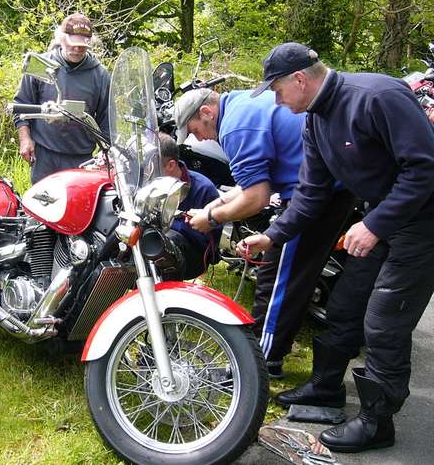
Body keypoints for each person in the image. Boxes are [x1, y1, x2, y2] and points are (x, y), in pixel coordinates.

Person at [240, 42, 434, 453]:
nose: (275, 101)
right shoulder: (315, 120)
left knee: (383, 322)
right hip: (380, 220)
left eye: (276, 91)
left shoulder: (378, 97)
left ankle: (377, 423)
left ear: (299, 79)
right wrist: (271, 235)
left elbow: (424, 168)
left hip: (422, 224)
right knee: (344, 306)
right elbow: (310, 194)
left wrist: (375, 224)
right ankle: (326, 389)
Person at [175, 86, 354, 379]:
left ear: (206, 112)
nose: (197, 138)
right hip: (327, 188)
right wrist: (211, 207)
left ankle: (259, 366)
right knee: (292, 276)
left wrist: (212, 218)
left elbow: (256, 198)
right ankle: (271, 356)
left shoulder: (234, 128)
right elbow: (252, 185)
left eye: (194, 129)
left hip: (314, 195)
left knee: (277, 281)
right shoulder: (242, 102)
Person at [14, 13, 111, 183]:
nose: (77, 49)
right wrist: (25, 139)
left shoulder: (100, 75)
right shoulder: (41, 65)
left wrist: (107, 152)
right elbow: (21, 105)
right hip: (44, 153)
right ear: (61, 38)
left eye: (82, 45)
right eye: (73, 44)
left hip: (81, 158)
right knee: (42, 204)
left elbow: (107, 118)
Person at [159, 133, 222, 279]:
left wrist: (177, 223)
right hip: (157, 244)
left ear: (171, 165)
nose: (147, 171)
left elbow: (209, 244)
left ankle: (167, 296)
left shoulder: (203, 188)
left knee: (164, 241)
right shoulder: (150, 183)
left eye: (153, 165)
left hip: (192, 255)